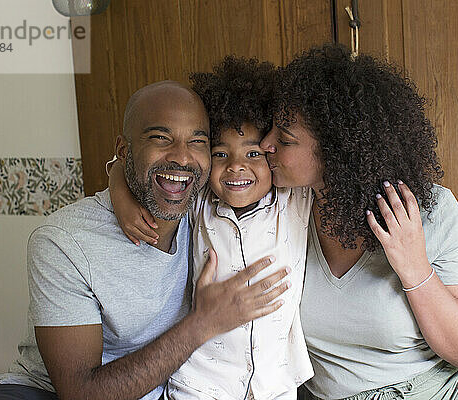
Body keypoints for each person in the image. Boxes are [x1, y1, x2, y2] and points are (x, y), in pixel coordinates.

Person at [0, 81, 290, 400]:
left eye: (197, 142)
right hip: (49, 392)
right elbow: (81, 393)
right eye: (161, 138)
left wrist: (120, 180)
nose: (182, 157)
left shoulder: (204, 210)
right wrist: (202, 324)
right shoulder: (63, 243)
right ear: (124, 151)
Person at [259, 43, 458, 399]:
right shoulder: (281, 210)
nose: (266, 144)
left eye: (284, 139)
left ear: (336, 150)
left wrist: (415, 268)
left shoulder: (431, 208)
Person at [108, 57, 314, 400]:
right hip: (201, 382)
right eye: (220, 154)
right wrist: (120, 193)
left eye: (252, 154)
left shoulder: (293, 201)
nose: (236, 166)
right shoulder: (199, 201)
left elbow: (323, 163)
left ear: (271, 155)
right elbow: (127, 162)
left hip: (273, 383)